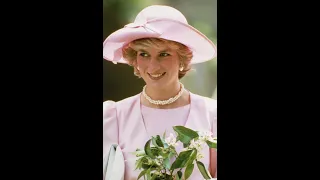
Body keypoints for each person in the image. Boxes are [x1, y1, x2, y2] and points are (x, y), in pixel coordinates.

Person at [103, 5, 217, 180]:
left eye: (164, 54)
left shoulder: (212, 115)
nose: (153, 66)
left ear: (182, 58)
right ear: (134, 60)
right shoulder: (114, 117)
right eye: (144, 54)